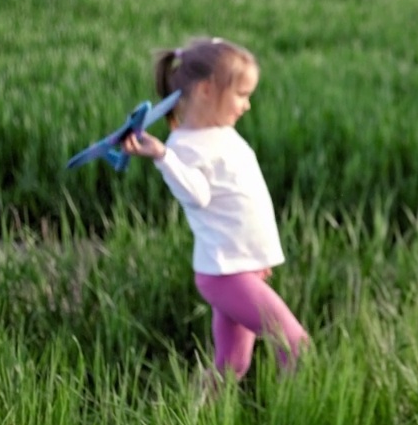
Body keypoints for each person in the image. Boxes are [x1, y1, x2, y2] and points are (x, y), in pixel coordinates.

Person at [121, 36, 311, 381]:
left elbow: (239, 202)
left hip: (239, 268)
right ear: (207, 90)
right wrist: (164, 157)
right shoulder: (184, 147)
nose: (247, 105)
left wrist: (255, 258)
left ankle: (194, 418)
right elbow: (198, 196)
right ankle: (298, 419)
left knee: (232, 365)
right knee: (295, 345)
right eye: (241, 95)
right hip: (225, 275)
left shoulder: (220, 132)